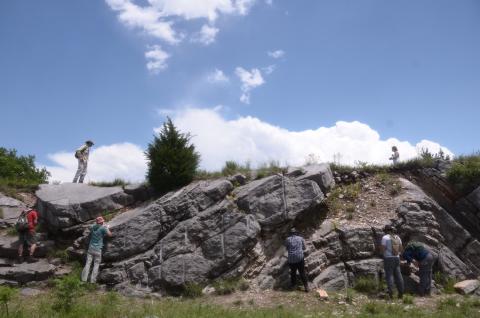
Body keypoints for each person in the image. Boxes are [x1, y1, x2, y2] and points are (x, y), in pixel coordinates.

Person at [81, 216, 112, 283]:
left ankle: (84, 279)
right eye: (103, 221)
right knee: (96, 264)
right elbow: (110, 235)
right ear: (102, 222)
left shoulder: (92, 228)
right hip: (98, 249)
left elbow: (91, 227)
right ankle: (93, 281)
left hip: (90, 248)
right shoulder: (103, 228)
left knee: (88, 264)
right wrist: (106, 227)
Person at [380, 225, 404, 299]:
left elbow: (383, 249)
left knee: (389, 276)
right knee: (398, 275)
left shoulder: (385, 238)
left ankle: (391, 294)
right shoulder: (397, 237)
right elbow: (401, 249)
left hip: (388, 258)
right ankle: (401, 294)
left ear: (386, 231)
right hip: (397, 258)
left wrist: (382, 254)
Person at [285, 228, 309, 292]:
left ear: (290, 234)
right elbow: (304, 248)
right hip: (300, 258)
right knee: (302, 272)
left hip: (291, 259)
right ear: (296, 233)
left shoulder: (287, 239)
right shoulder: (301, 238)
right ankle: (306, 287)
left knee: (293, 272)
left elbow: (287, 248)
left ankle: (293, 286)